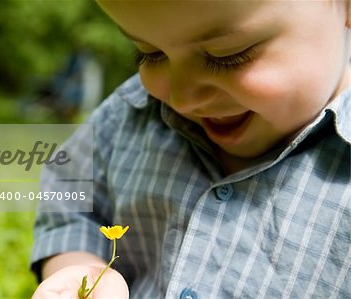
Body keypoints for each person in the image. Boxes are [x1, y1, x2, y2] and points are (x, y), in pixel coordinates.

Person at [31, 0, 351, 298]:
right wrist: (80, 268)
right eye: (149, 54)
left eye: (228, 56)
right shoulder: (130, 114)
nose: (183, 98)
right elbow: (69, 197)